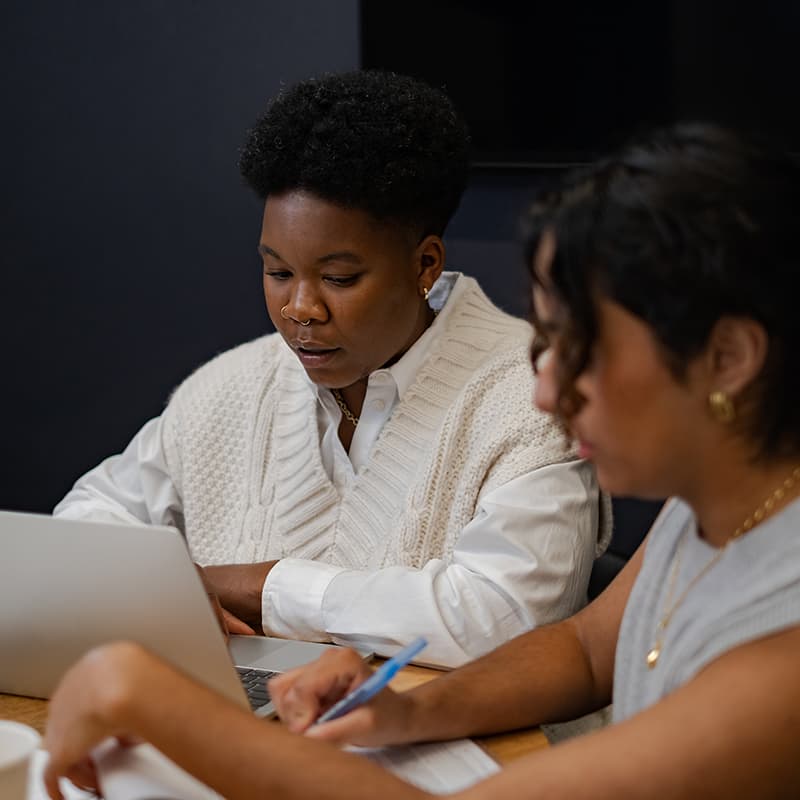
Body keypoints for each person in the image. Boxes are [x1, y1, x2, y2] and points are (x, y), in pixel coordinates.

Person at [43, 122, 800, 798]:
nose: (543, 389)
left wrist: (144, 696)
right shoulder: (715, 507)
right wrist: (406, 709)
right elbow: (585, 649)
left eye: (579, 349)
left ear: (728, 356)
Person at [53, 70, 606, 668]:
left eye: (339, 279)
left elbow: (502, 617)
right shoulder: (232, 387)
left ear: (425, 264)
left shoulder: (533, 397)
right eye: (278, 272)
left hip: (445, 744)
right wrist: (152, 589)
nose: (299, 310)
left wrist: (264, 587)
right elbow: (84, 529)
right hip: (230, 727)